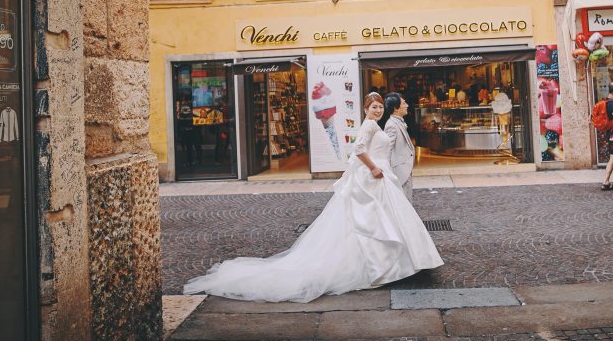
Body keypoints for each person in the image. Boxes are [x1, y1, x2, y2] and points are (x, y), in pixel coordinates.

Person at [183, 92, 442, 302]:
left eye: (378, 107)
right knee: (371, 222)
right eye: (373, 107)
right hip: (374, 177)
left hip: (381, 178)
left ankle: (395, 263)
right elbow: (359, 149)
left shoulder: (376, 125)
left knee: (385, 220)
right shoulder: (369, 126)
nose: (376, 110)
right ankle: (379, 266)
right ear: (366, 109)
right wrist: (373, 167)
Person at [381, 92, 414, 201]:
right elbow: (386, 150)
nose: (407, 105)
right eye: (404, 103)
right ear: (396, 108)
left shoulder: (397, 122)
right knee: (403, 202)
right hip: (400, 172)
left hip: (404, 169)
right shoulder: (392, 125)